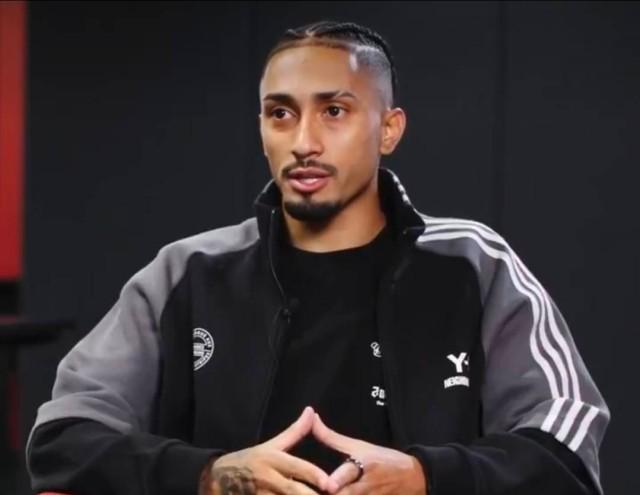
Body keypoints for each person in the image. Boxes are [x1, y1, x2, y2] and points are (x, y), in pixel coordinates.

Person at [27, 20, 609, 495]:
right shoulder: (187, 270)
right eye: (281, 113)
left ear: (389, 129)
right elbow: (63, 437)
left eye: (334, 111)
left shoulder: (473, 263)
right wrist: (209, 475)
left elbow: (566, 447)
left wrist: (426, 477)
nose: (303, 142)